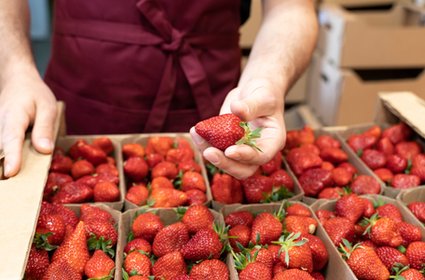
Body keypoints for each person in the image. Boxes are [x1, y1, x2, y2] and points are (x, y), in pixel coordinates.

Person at [0, 0, 318, 179]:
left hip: (219, 106)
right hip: (79, 101)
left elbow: (291, 9)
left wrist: (266, 80)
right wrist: (14, 68)